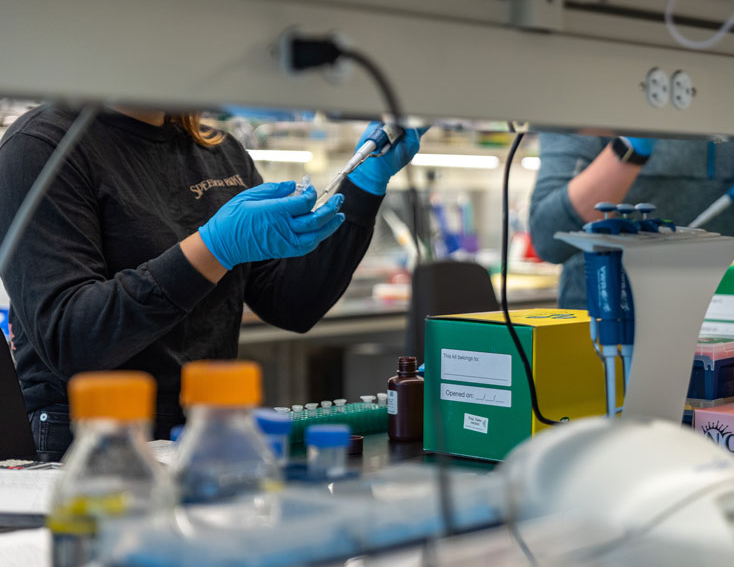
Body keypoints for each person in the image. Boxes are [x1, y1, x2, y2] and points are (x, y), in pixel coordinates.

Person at [0, 106, 422, 460]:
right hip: (92, 441)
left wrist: (365, 184)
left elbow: (291, 304)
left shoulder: (217, 151)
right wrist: (212, 249)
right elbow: (71, 337)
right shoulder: (41, 147)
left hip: (208, 429)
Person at [530, 134, 734, 309]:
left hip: (721, 318)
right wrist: (629, 148)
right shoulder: (595, 97)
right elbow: (547, 238)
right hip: (604, 319)